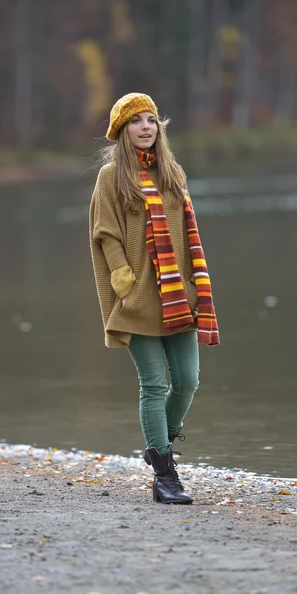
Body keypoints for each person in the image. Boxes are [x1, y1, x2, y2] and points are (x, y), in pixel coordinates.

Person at [89, 92, 219, 505]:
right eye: (135, 121)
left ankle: (155, 446)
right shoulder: (111, 176)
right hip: (138, 296)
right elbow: (105, 231)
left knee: (187, 381)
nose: (145, 127)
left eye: (150, 120)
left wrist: (196, 286)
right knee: (154, 383)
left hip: (178, 296)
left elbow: (186, 234)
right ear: (121, 131)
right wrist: (122, 281)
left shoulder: (172, 173)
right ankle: (165, 475)